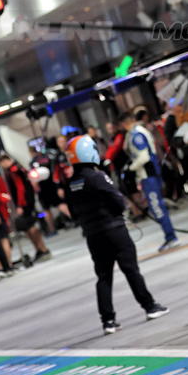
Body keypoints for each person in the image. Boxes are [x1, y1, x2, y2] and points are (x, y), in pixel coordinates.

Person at [62, 136, 169, 334]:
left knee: (103, 276)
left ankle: (108, 321)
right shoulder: (97, 176)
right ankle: (150, 306)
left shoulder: (70, 183)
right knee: (130, 270)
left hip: (92, 235)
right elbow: (118, 201)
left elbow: (73, 213)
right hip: (113, 230)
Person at [122, 107, 181, 251]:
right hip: (148, 175)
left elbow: (144, 157)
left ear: (124, 123)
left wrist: (131, 168)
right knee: (156, 207)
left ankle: (171, 237)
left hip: (149, 175)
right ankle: (169, 236)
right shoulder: (137, 132)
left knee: (157, 207)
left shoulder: (137, 134)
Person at [0, 154, 51, 260]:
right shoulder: (17, 168)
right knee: (26, 227)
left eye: (2, 163)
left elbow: (20, 188)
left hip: (25, 202)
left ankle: (43, 248)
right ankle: (39, 249)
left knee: (29, 226)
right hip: (27, 201)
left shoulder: (14, 170)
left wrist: (20, 205)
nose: (2, 166)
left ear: (5, 161)